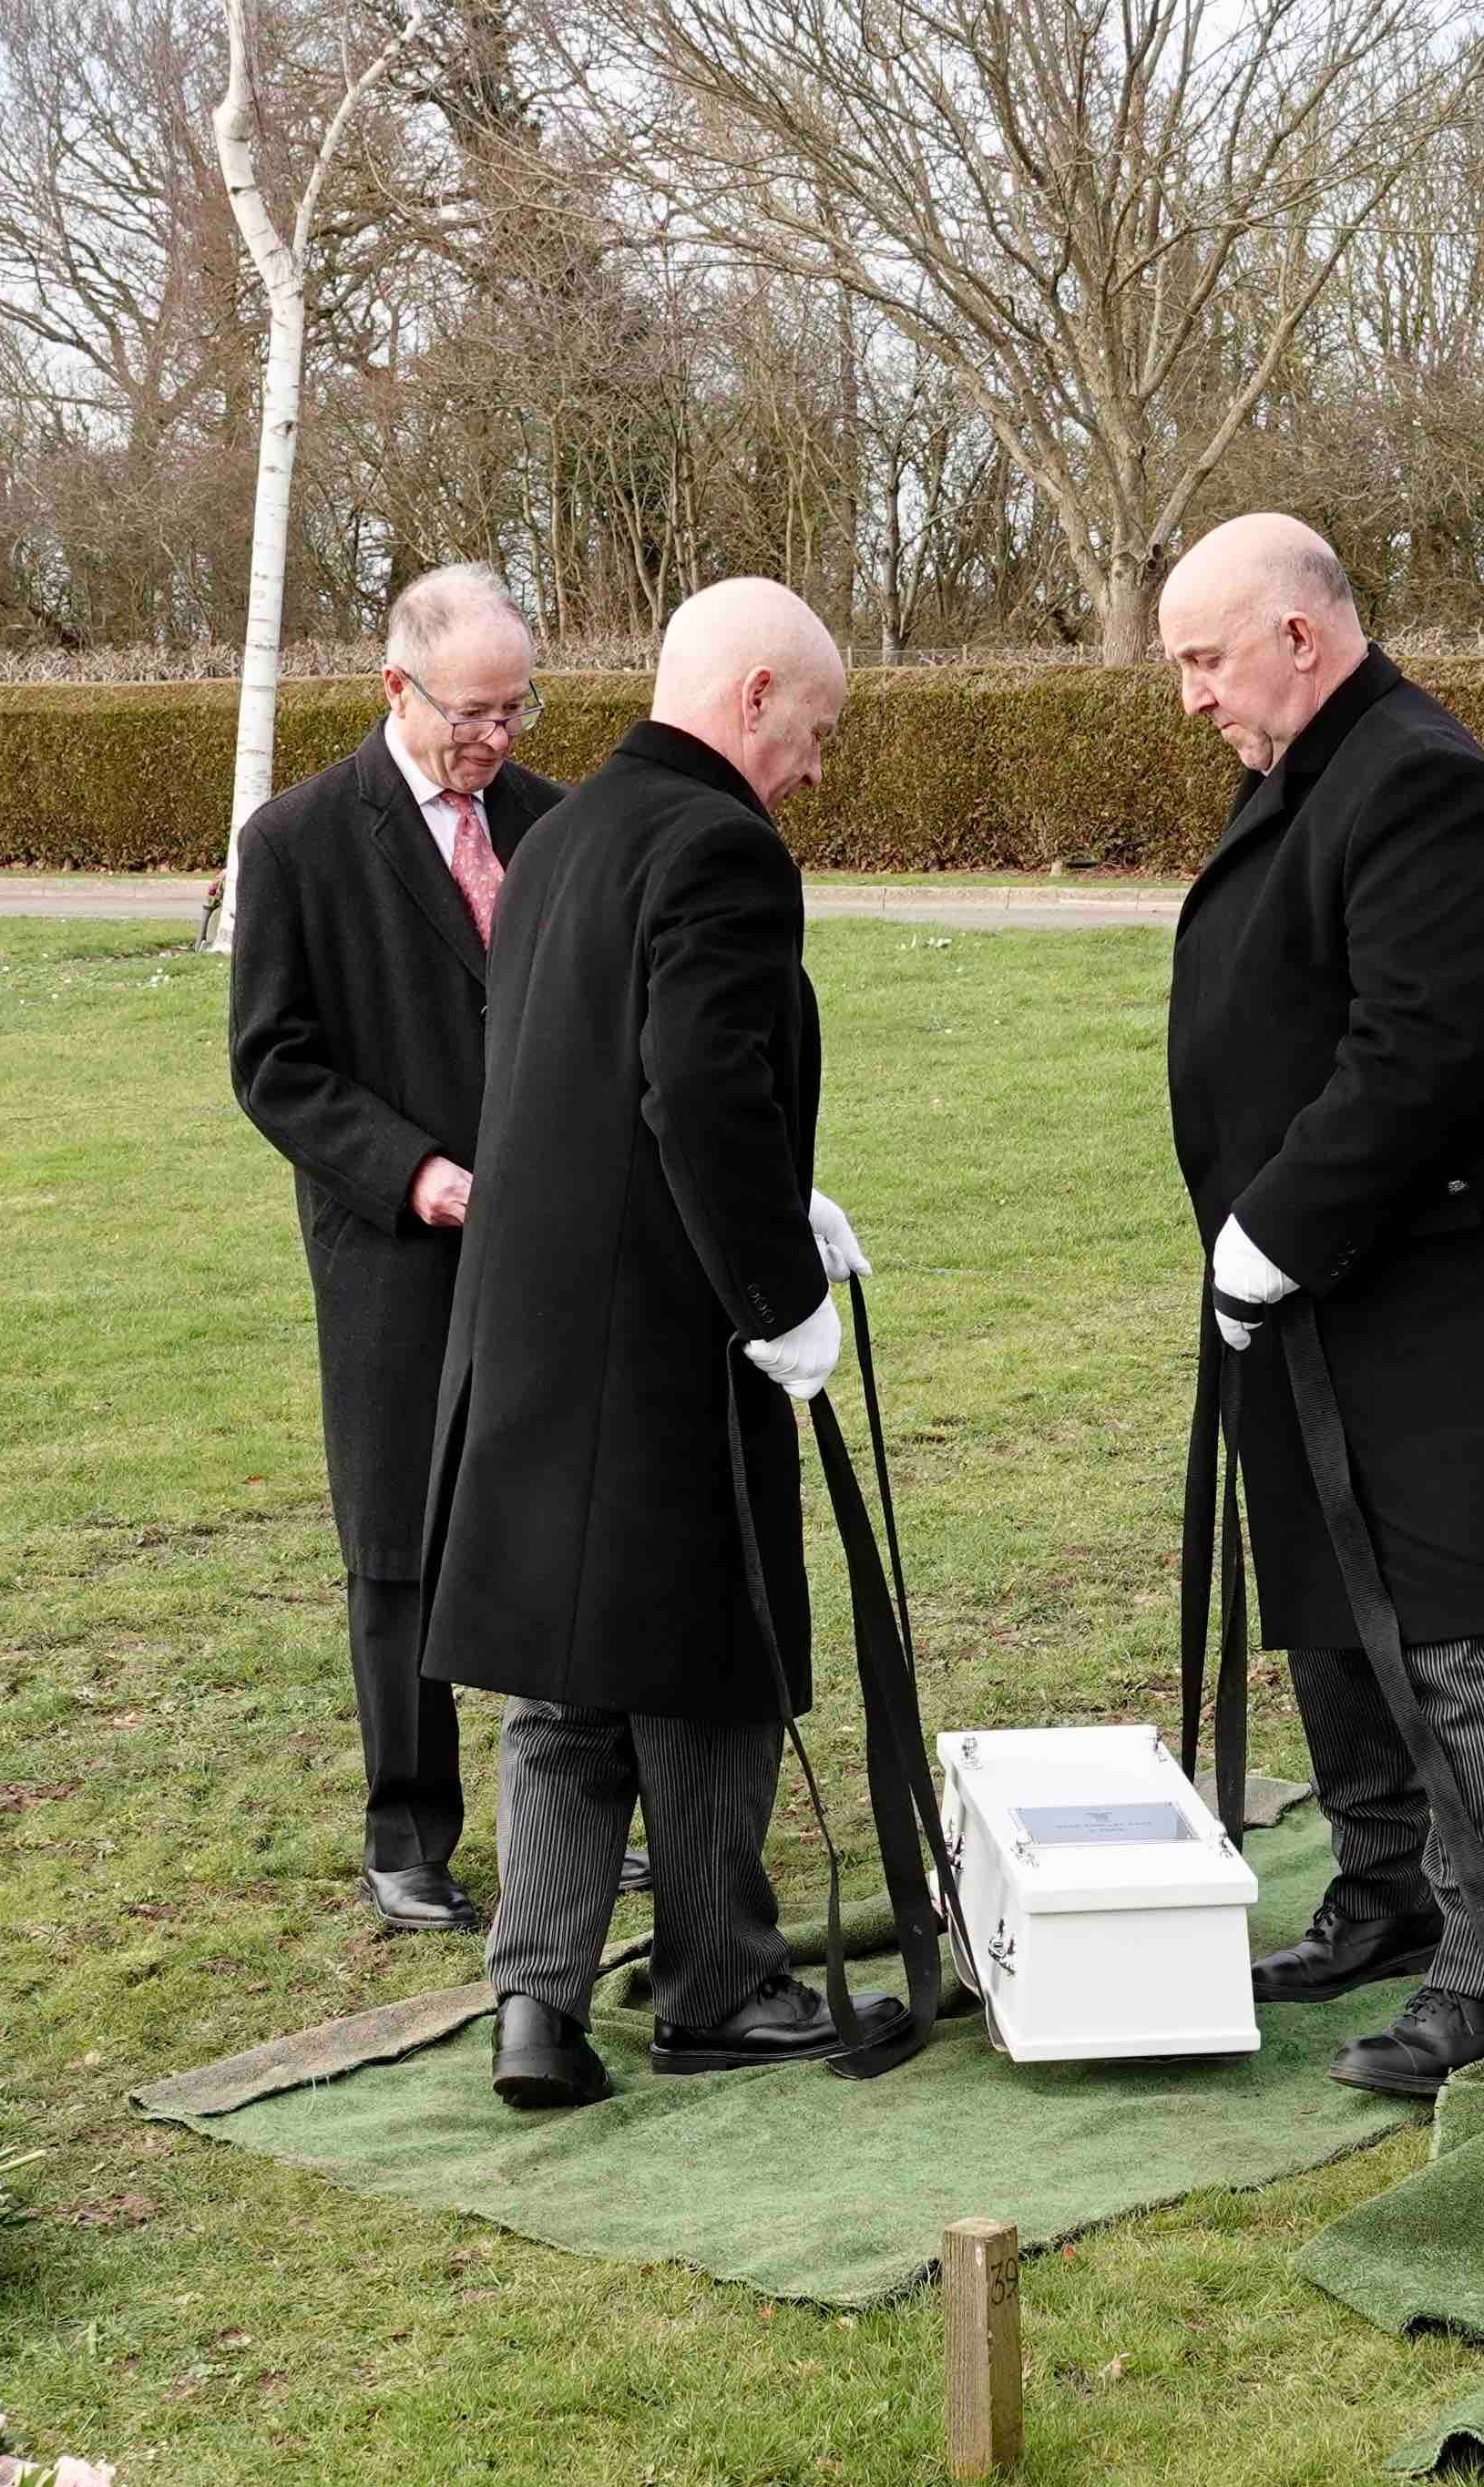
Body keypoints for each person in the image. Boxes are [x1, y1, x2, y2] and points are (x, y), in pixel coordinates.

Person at [1157, 514, 1484, 2103]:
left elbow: (1417, 1055)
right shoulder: (1306, 770)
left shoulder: (1418, 781)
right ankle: (1378, 1893)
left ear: (1301, 633)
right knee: (1327, 1600)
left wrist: (1276, 1225)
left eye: (1203, 659)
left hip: (1432, 1297)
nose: (1190, 698)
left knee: (1443, 1616)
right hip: (1320, 1292)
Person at [420, 578, 900, 2112]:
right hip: (665, 1337)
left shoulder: (557, 839)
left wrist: (785, 1191)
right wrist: (784, 1296)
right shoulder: (721, 848)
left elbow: (583, 1072)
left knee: (563, 1685)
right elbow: (697, 1089)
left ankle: (536, 2011)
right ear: (756, 694)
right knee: (713, 1666)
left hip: (530, 1326)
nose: (815, 772)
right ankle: (718, 1985)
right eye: (815, 734)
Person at [223, 562, 576, 1938]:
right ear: (396, 688)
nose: (494, 738)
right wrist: (416, 1175)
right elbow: (275, 1063)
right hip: (391, 1251)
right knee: (398, 1544)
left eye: (516, 710)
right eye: (472, 713)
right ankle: (408, 1829)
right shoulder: (301, 840)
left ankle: (576, 1812)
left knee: (555, 1515)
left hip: (547, 1242)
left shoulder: (553, 823)